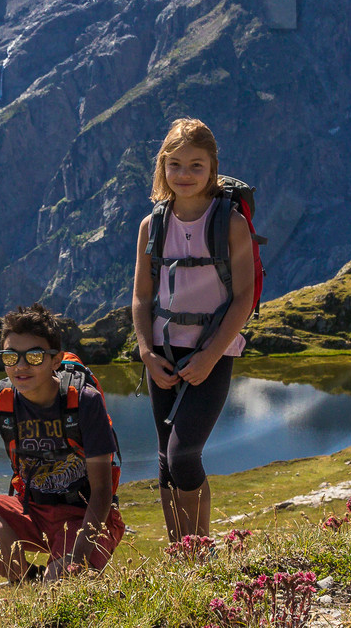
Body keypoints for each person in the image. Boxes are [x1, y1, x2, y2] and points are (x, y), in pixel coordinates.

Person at [0, 304, 124, 581]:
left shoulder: (84, 401)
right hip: (30, 511)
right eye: (10, 356)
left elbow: (101, 493)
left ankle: (55, 578)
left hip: (84, 517)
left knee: (62, 582)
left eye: (35, 356)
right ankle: (24, 579)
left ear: (56, 360)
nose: (21, 365)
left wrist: (77, 557)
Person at [132, 118, 254, 540]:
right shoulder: (152, 226)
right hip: (163, 355)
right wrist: (147, 353)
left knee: (184, 454)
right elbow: (141, 299)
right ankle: (179, 554)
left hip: (211, 352)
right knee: (165, 459)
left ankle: (199, 551)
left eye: (196, 166)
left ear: (213, 169)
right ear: (162, 167)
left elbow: (244, 298)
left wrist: (210, 356)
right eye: (175, 164)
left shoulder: (230, 223)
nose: (184, 175)